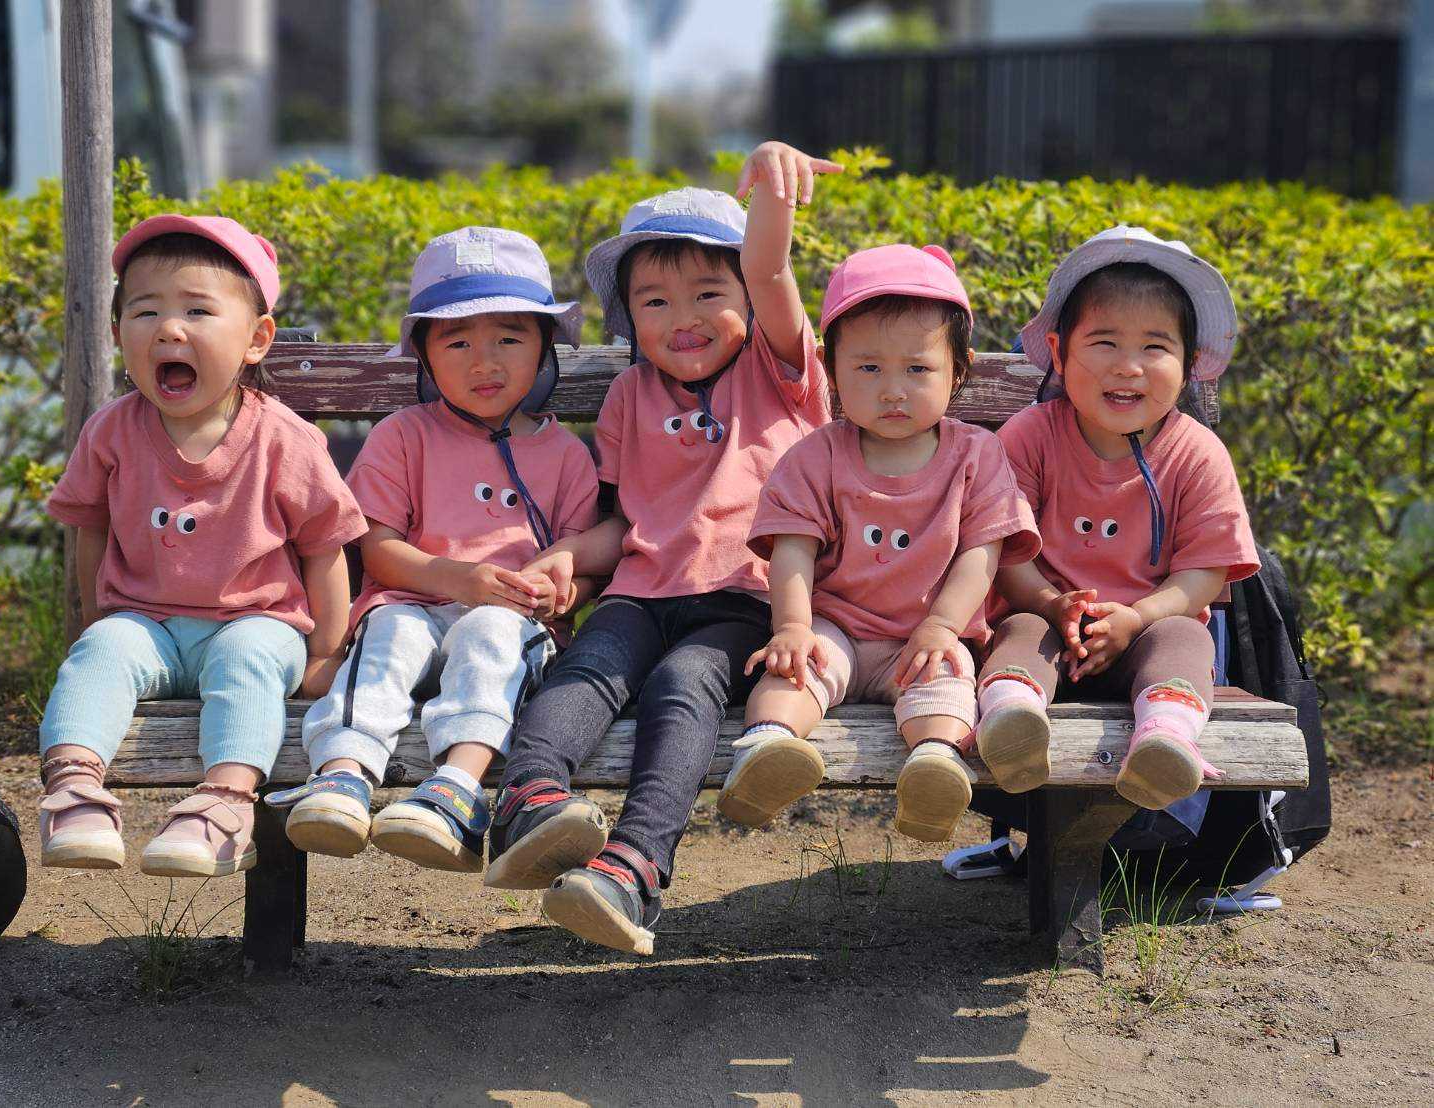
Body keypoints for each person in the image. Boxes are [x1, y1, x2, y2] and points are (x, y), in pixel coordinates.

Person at [483, 142, 839, 955]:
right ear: (628, 319)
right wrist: (573, 553)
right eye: (653, 302)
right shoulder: (627, 395)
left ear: (748, 299)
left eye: (709, 293)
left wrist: (772, 194)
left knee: (685, 685)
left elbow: (774, 271)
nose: (681, 318)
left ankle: (635, 866)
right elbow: (626, 520)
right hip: (643, 590)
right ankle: (528, 801)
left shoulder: (778, 372)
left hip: (746, 598)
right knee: (588, 668)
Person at [38, 215, 365, 876]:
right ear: (117, 333)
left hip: (257, 622)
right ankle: (73, 791)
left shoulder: (282, 438)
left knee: (248, 659)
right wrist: (101, 622)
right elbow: (90, 528)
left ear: (255, 339)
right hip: (148, 626)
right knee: (100, 653)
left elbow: (325, 546)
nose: (169, 328)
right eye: (145, 310)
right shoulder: (113, 432)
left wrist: (326, 650)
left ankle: (224, 802)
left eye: (197, 310)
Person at [264, 228, 598, 872]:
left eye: (509, 338)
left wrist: (561, 589)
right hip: (412, 604)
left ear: (543, 348)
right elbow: (378, 552)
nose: (485, 362)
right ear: (422, 353)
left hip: (513, 625)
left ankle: (458, 788)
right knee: (388, 628)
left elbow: (581, 566)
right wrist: (456, 578)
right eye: (457, 341)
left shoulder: (565, 456)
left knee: (495, 632)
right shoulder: (403, 436)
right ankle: (343, 775)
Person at [723, 244, 1039, 841]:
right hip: (835, 626)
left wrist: (944, 625)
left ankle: (934, 766)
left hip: (923, 636)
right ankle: (766, 749)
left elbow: (982, 554)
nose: (893, 390)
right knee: (793, 670)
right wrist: (791, 625)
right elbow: (793, 550)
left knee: (946, 678)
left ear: (959, 370)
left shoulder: (976, 455)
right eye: (868, 368)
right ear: (831, 366)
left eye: (917, 369)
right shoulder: (816, 455)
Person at [977, 225, 1259, 810]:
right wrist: (1054, 604)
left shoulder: (1196, 452)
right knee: (1019, 634)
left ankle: (1164, 740)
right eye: (1104, 343)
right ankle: (1012, 724)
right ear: (1059, 352)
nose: (1128, 367)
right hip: (1049, 623)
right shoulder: (1031, 436)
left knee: (1185, 637)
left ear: (1189, 364)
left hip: (1148, 630)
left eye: (1155, 347)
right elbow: (1002, 549)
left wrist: (1135, 617)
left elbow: (1204, 575)